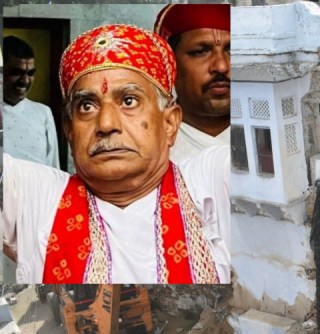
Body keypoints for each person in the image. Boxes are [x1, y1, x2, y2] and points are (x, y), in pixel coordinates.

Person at [2, 24, 230, 284]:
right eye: (86, 106)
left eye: (129, 101)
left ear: (169, 123)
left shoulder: (210, 181)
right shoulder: (35, 197)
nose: (106, 124)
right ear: (70, 130)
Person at [154, 4, 230, 161]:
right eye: (200, 52)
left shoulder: (276, 134)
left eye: (233, 51)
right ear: (170, 65)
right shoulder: (150, 144)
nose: (221, 66)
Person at [2, 35, 60, 168]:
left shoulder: (43, 113)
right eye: (16, 73)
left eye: (30, 73)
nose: (25, 80)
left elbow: (53, 167)